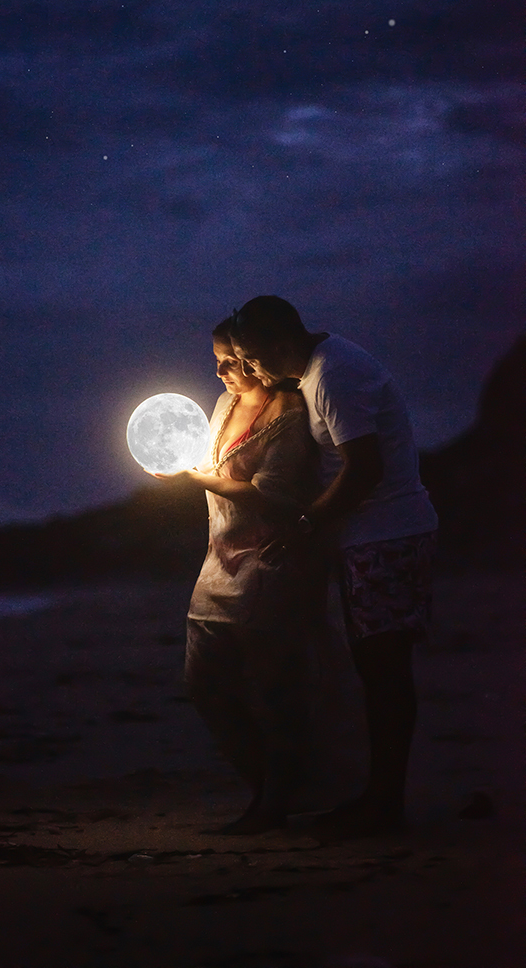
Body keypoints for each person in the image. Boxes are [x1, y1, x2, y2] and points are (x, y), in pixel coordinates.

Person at [229, 295, 439, 841]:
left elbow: (365, 469)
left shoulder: (332, 377)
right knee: (376, 668)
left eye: (252, 359)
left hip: (388, 534)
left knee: (385, 670)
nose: (250, 371)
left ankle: (385, 804)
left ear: (280, 343)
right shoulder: (320, 370)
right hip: (374, 536)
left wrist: (305, 524)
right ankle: (379, 797)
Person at [151, 318, 328, 834]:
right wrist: (176, 464)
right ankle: (271, 790)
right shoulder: (223, 404)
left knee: (275, 692)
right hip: (218, 561)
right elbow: (205, 462)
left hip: (271, 563)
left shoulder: (291, 417)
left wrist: (197, 478)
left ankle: (273, 804)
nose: (221, 369)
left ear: (257, 358)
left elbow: (275, 496)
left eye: (232, 360)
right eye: (218, 359)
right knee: (204, 683)